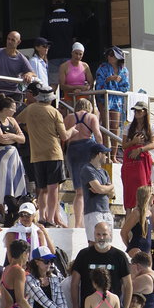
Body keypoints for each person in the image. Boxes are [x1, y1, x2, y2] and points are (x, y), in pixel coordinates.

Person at [71, 219, 131, 308]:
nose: (101, 238)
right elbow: (74, 284)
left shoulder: (119, 256)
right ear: (94, 235)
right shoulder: (84, 255)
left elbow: (128, 285)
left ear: (110, 235)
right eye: (98, 234)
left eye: (104, 234)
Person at [16, 84, 70, 226]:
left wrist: (29, 130)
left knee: (42, 189)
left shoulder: (30, 109)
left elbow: (17, 121)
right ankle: (51, 218)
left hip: (37, 155)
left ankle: (42, 217)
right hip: (53, 153)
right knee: (53, 189)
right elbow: (64, 136)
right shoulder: (54, 112)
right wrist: (74, 131)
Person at [63, 97, 104, 228]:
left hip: (72, 150)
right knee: (88, 188)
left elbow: (63, 137)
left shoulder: (69, 117)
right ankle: (86, 221)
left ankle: (78, 223)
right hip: (87, 148)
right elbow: (98, 134)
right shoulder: (91, 117)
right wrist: (101, 151)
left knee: (78, 191)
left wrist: (64, 152)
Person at [121, 100, 154, 210]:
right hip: (132, 162)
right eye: (135, 111)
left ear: (145, 112)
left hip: (145, 161)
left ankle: (145, 213)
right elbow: (124, 145)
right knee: (130, 190)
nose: (136, 113)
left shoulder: (151, 127)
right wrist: (133, 142)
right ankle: (129, 215)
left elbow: (153, 144)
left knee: (145, 186)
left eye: (139, 111)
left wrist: (140, 149)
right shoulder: (129, 127)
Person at [79, 144, 115, 244]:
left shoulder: (104, 172)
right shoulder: (87, 169)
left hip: (106, 211)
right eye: (105, 154)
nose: (107, 157)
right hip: (93, 211)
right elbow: (99, 188)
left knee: (107, 243)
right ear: (99, 154)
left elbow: (112, 193)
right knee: (94, 242)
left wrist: (105, 189)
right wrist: (107, 188)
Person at [93, 46, 129, 141]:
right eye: (109, 54)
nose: (110, 56)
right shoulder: (102, 68)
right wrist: (108, 80)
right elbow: (98, 85)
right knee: (106, 125)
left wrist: (118, 83)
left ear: (118, 57)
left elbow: (126, 86)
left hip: (117, 100)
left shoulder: (124, 70)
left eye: (112, 55)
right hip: (104, 98)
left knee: (115, 126)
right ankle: (105, 151)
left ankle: (113, 155)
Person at [39, 0, 77, 81]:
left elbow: (43, 40)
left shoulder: (47, 19)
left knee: (53, 83)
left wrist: (44, 55)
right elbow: (75, 38)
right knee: (69, 82)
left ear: (52, 5)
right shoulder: (70, 18)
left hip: (53, 56)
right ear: (64, 4)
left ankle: (52, 95)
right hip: (68, 55)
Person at [120, 184, 153, 257]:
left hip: (146, 250)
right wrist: (129, 246)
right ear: (147, 197)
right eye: (152, 195)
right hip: (136, 249)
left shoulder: (149, 213)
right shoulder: (136, 213)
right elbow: (123, 232)